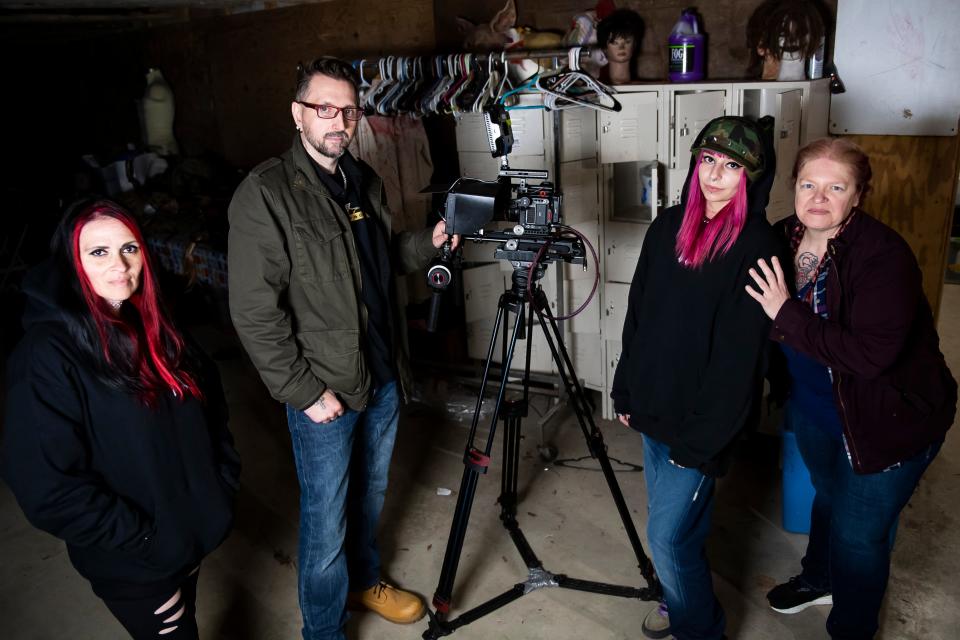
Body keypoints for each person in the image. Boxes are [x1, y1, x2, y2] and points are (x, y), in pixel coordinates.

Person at [227, 56, 457, 640]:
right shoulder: (266, 193)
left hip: (381, 373)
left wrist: (426, 243)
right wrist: (305, 392)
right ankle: (324, 631)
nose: (339, 120)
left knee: (369, 496)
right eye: (324, 107)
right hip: (325, 388)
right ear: (297, 114)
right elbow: (255, 312)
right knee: (326, 520)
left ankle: (366, 580)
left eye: (348, 110)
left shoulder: (364, 181)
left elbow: (383, 264)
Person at [745, 137, 956, 640]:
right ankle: (820, 578)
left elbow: (871, 356)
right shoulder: (785, 237)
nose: (818, 198)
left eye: (835, 187)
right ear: (794, 188)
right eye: (808, 184)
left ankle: (852, 628)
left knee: (860, 537)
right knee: (827, 496)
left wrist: (785, 313)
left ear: (858, 196)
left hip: (888, 418)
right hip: (818, 407)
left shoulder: (883, 258)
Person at [1, 199, 240, 639]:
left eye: (130, 248)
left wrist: (219, 485)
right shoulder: (46, 356)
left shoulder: (155, 324)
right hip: (138, 563)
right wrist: (148, 542)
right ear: (72, 263)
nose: (120, 265)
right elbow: (49, 489)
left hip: (186, 536)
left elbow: (212, 409)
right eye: (99, 252)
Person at [611, 116, 781, 640]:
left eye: (732, 167)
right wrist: (625, 388)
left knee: (665, 537)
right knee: (683, 532)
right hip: (654, 408)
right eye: (709, 160)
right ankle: (679, 597)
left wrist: (701, 442)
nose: (715, 176)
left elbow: (739, 362)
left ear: (749, 178)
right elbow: (639, 312)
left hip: (699, 428)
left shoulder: (755, 246)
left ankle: (699, 628)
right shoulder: (668, 225)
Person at [596, 8, 644, 85]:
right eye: (615, 43)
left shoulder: (645, 87)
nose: (621, 47)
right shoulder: (595, 88)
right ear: (604, 48)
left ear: (634, 45)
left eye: (627, 42)